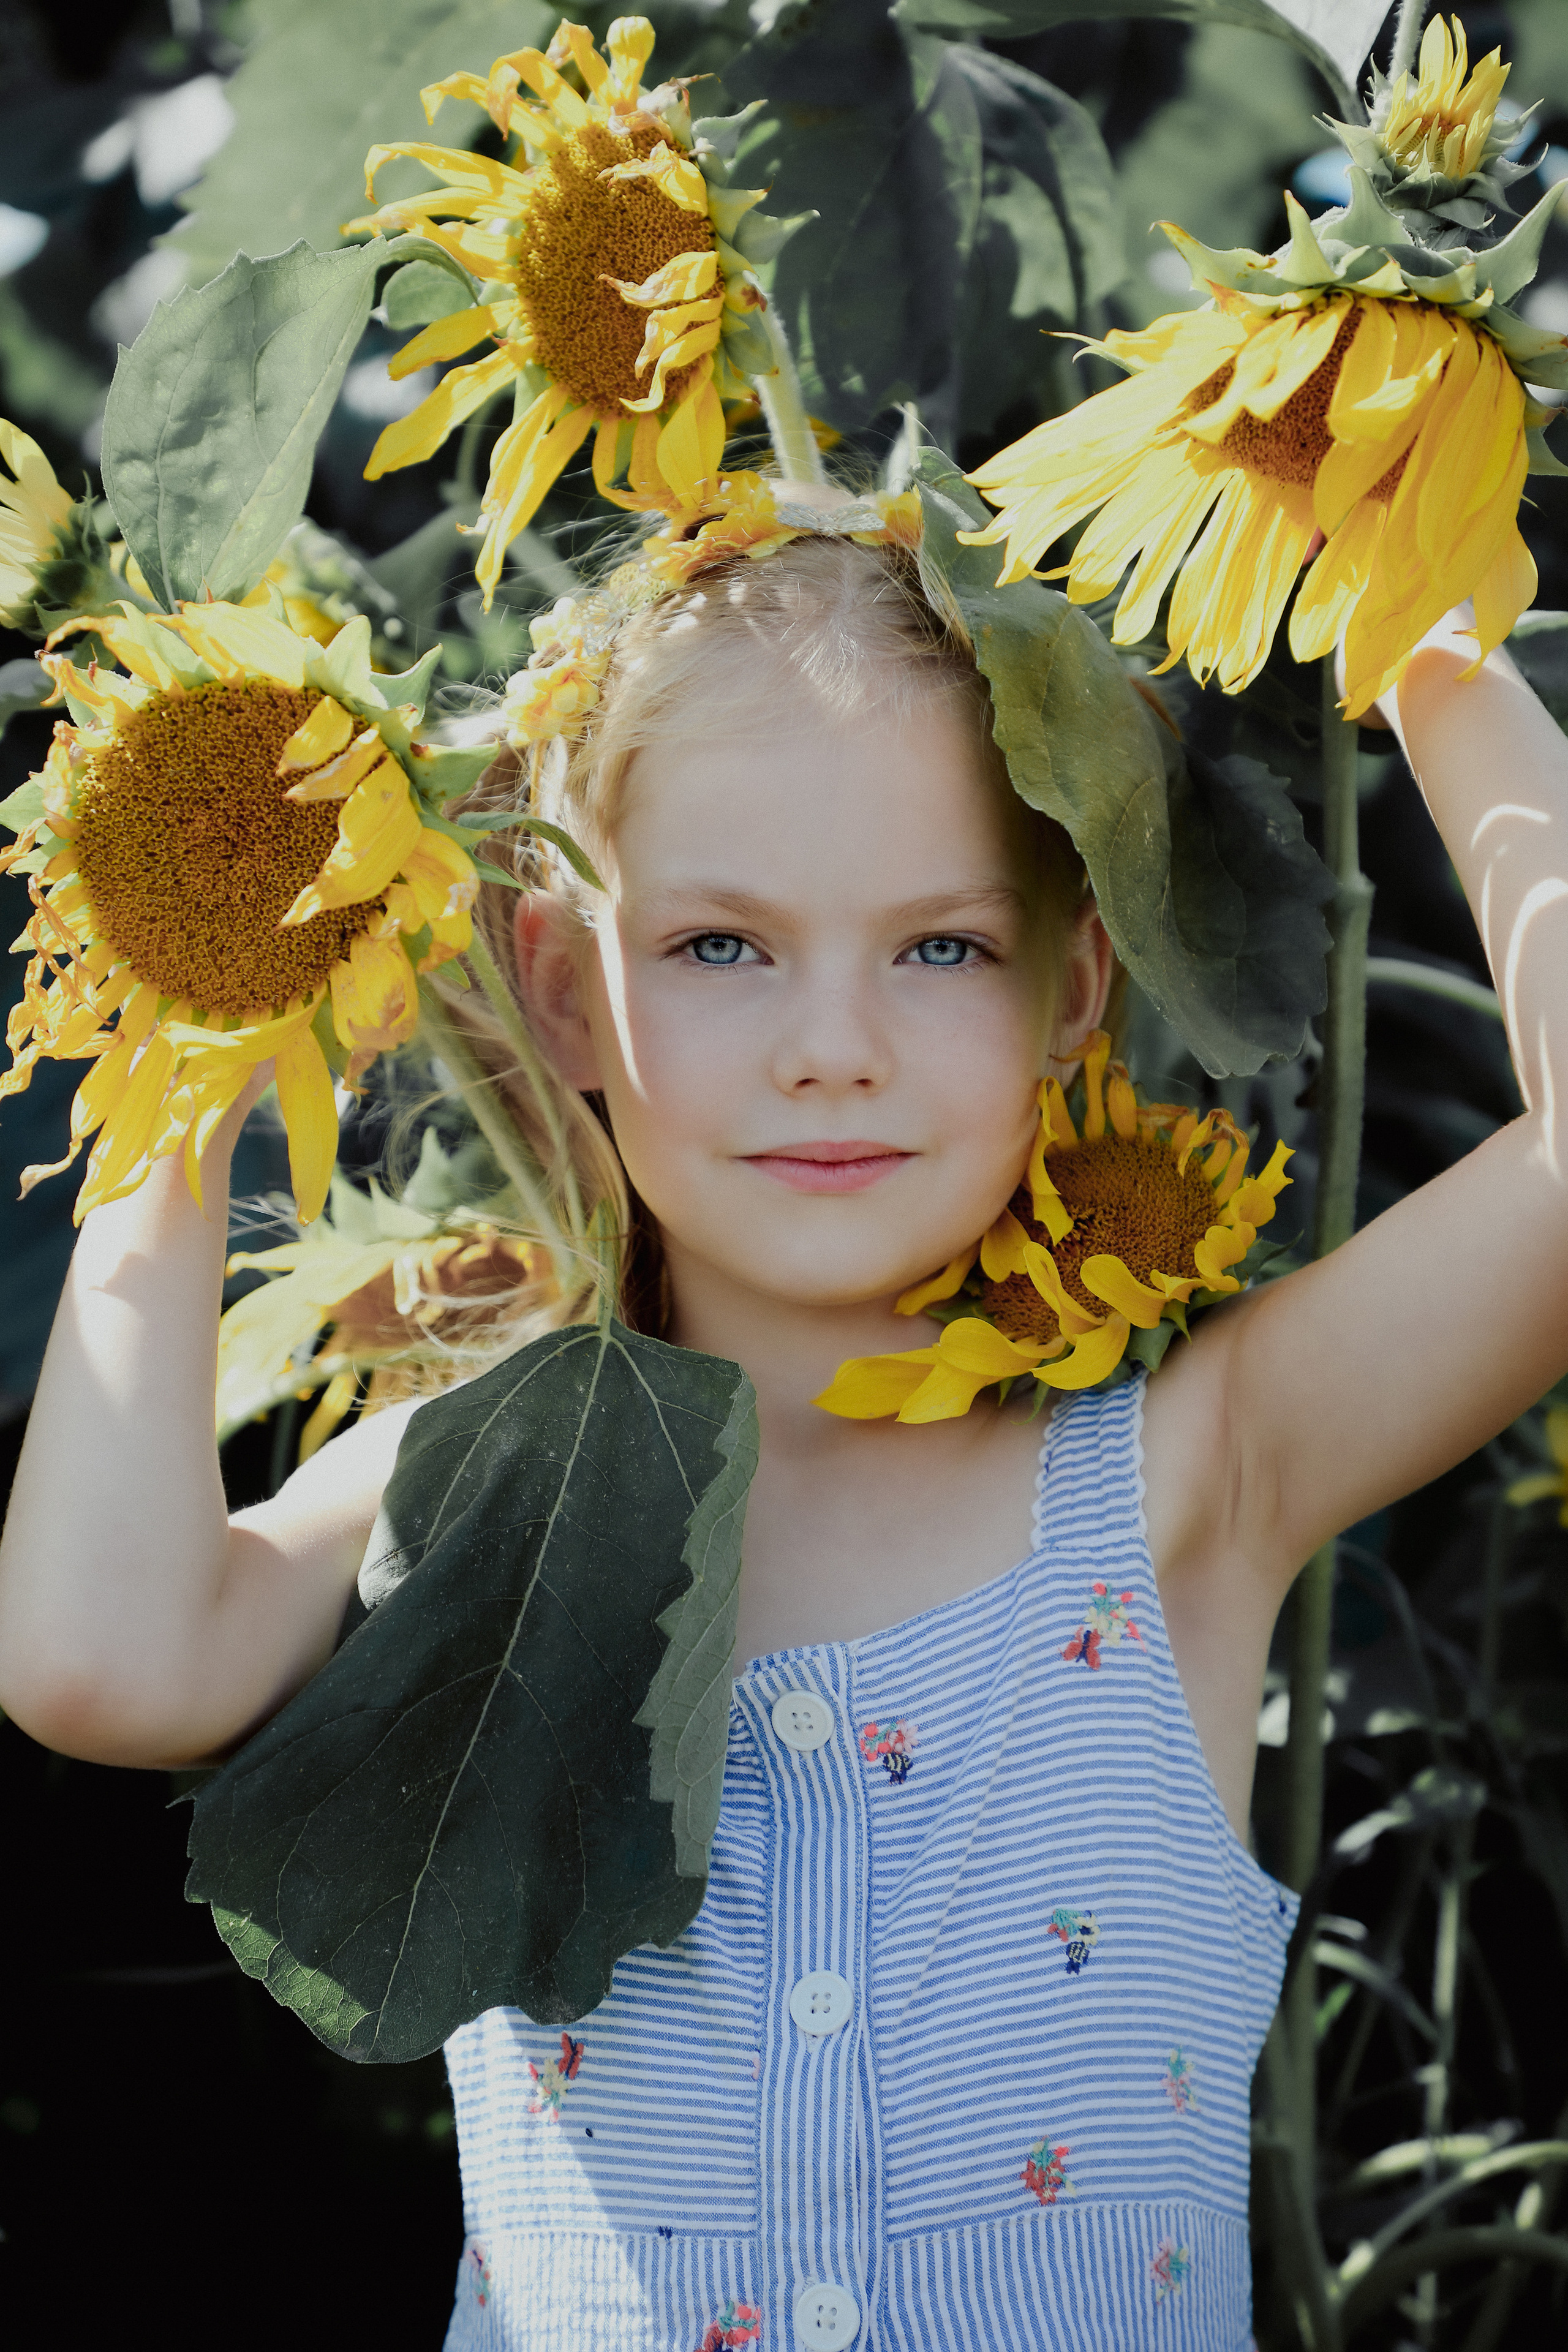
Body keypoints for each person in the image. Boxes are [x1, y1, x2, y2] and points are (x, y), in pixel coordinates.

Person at [2, 495, 1566, 2351]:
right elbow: (97, 1661)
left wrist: (1412, 614)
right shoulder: (480, 1478)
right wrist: (196, 1015)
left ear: (1075, 996)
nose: (836, 1042)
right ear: (571, 993)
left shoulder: (1181, 1481)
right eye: (723, 948)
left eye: (944, 950)